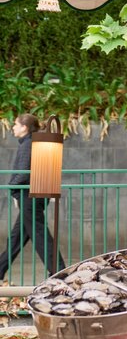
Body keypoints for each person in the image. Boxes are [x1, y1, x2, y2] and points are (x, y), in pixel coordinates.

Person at [0, 114, 65, 280]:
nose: (13, 128)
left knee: (40, 234)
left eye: (16, 124)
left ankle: (59, 272)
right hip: (33, 195)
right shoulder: (33, 143)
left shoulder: (27, 145)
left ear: (25, 127)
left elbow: (23, 173)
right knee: (17, 237)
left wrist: (10, 186)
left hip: (29, 196)